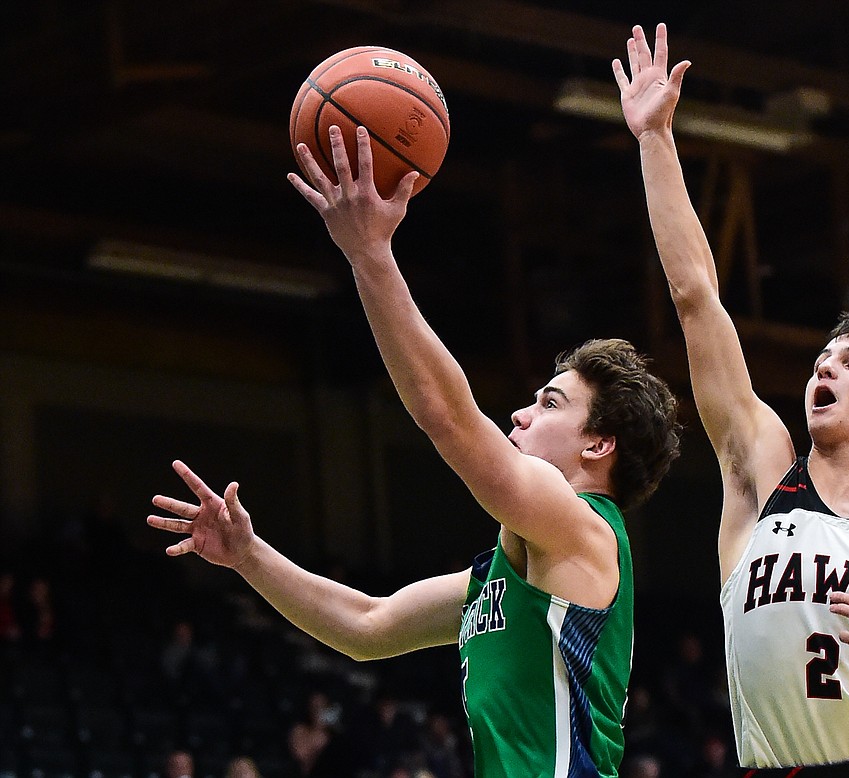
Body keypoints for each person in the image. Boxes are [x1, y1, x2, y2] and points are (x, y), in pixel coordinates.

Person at [147, 124, 681, 778]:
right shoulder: (504, 576)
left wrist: (371, 255)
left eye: (549, 404)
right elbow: (366, 625)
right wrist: (249, 556)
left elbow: (446, 418)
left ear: (599, 445)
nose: (519, 411)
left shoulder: (584, 527)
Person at [613, 22, 849, 776]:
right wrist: (656, 138)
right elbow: (696, 300)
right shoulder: (763, 474)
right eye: (822, 360)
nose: (824, 371)